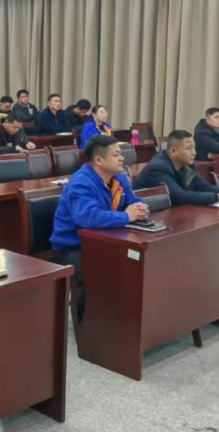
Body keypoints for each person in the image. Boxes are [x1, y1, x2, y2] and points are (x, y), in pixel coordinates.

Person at [50, 135, 150, 321]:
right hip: (73, 247)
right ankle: (89, 327)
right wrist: (127, 216)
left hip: (106, 242)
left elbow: (133, 200)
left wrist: (140, 207)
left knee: (138, 265)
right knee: (101, 274)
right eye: (116, 155)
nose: (122, 158)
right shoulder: (82, 182)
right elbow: (87, 217)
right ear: (99, 160)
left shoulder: (119, 179)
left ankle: (129, 320)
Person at [135, 130, 219, 206]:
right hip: (150, 218)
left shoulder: (186, 163)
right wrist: (218, 197)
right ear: (173, 151)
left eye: (194, 148)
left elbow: (202, 185)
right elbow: (178, 196)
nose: (194, 153)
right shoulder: (158, 168)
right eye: (189, 148)